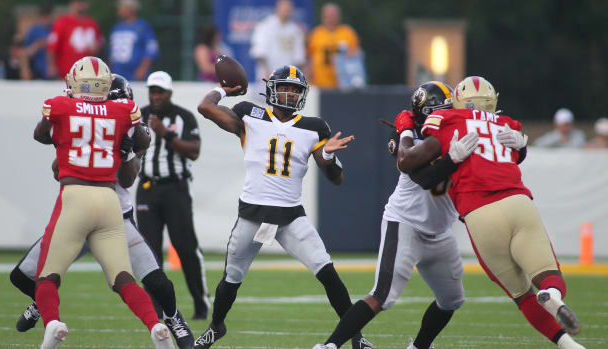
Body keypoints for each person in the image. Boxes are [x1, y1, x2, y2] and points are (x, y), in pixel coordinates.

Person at [396, 76, 585, 349]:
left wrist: (405, 132)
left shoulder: (446, 120)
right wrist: (522, 149)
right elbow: (514, 153)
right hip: (518, 203)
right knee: (547, 273)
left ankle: (568, 345)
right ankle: (553, 295)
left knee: (522, 295)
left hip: (479, 213)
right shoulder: (506, 124)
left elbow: (410, 163)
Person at [194, 65, 371, 349]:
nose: (289, 94)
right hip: (252, 215)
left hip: (290, 218)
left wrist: (326, 155)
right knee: (231, 278)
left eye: (295, 89)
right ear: (272, 89)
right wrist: (222, 90)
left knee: (327, 272)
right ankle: (217, 326)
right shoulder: (249, 114)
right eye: (285, 87)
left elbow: (335, 178)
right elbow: (205, 107)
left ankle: (356, 336)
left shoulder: (314, 127)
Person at [12, 74, 195, 349]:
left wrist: (122, 151)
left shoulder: (130, 128)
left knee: (158, 282)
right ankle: (42, 305)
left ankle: (172, 317)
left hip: (115, 217)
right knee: (22, 275)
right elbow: (56, 169)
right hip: (82, 213)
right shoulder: (98, 121)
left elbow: (128, 179)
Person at [313, 82, 472, 349]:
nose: (446, 116)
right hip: (406, 223)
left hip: (439, 231)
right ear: (424, 115)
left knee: (452, 300)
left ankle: (419, 346)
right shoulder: (409, 138)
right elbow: (416, 171)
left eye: (448, 110)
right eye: (439, 112)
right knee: (382, 295)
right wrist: (412, 133)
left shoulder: (456, 135)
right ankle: (329, 346)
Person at [136, 71, 209, 320]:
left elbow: (194, 151)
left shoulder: (184, 117)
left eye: (160, 92)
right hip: (147, 189)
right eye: (152, 91)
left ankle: (200, 302)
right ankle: (155, 309)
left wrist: (165, 133)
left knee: (186, 247)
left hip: (175, 189)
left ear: (169, 93)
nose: (155, 96)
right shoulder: (139, 115)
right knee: (149, 252)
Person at [250, 0, 306, 92]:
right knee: (265, 104)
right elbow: (259, 53)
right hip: (267, 78)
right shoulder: (265, 25)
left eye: (288, 9)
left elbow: (299, 59)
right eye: (284, 8)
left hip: (288, 81)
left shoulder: (295, 30)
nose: (286, 11)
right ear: (277, 8)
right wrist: (267, 72)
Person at [307, 3, 360, 89]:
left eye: (333, 15)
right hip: (320, 84)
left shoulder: (348, 33)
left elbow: (356, 58)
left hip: (343, 85)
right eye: (328, 15)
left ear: (339, 16)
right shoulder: (316, 34)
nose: (330, 18)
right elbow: (309, 59)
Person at [46, 0, 103, 79]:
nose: (81, 4)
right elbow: (52, 46)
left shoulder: (92, 23)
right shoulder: (62, 22)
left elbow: (99, 42)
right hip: (66, 72)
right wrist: (51, 66)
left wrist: (97, 47)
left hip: (88, 74)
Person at [108, 0, 159, 81]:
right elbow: (111, 53)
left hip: (134, 74)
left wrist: (143, 69)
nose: (119, 11)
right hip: (117, 73)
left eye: (122, 8)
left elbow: (151, 50)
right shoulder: (117, 28)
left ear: (130, 9)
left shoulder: (143, 27)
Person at [23, 3, 53, 79]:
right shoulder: (33, 31)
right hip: (37, 71)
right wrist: (38, 44)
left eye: (48, 15)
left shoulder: (55, 28)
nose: (46, 18)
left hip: (53, 71)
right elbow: (26, 53)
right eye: (44, 16)